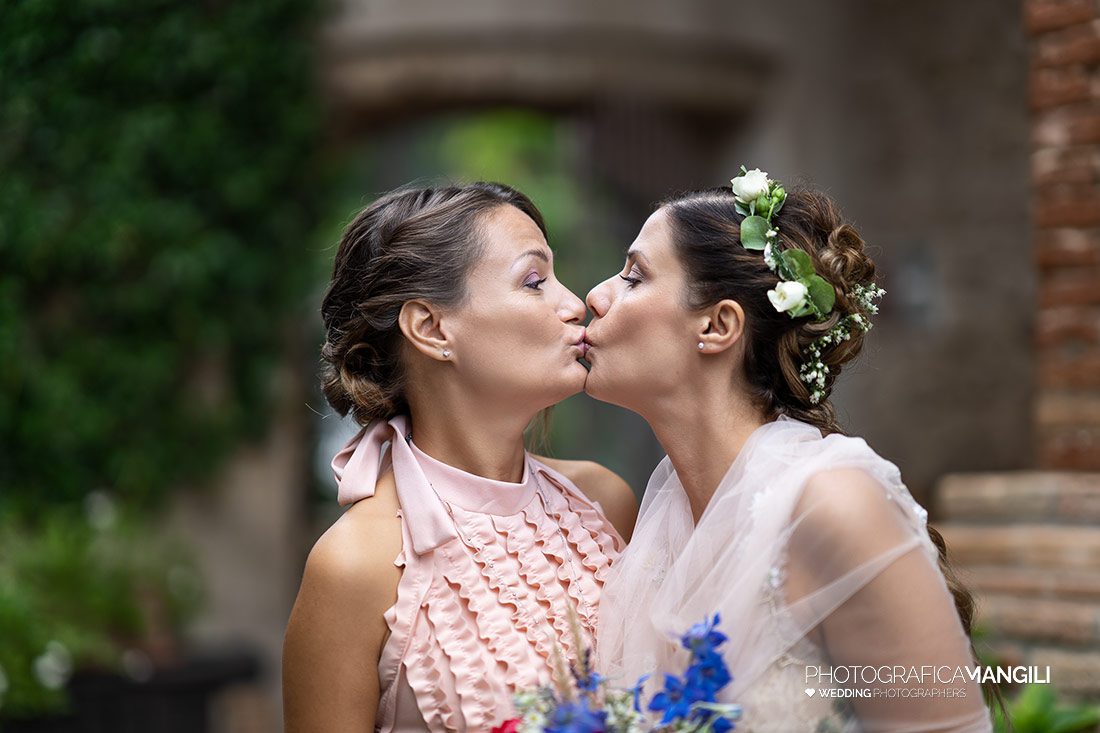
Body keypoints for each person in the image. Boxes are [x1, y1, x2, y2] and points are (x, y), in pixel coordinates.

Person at [585, 168, 995, 731]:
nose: (595, 295)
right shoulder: (657, 529)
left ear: (717, 325)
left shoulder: (834, 504)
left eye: (634, 277)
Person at [283, 182, 637, 733]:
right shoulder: (356, 564)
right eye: (535, 281)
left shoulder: (604, 503)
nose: (575, 304)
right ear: (430, 326)